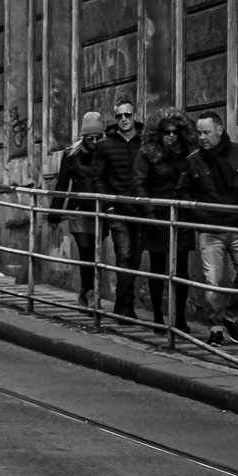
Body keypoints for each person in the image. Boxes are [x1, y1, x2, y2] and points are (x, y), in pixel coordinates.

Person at [183, 111, 238, 346]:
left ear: (219, 131)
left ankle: (230, 317)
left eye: (206, 132)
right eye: (198, 133)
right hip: (211, 230)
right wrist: (200, 215)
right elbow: (183, 192)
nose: (201, 137)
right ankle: (216, 325)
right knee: (213, 281)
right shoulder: (193, 161)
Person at [135, 109, 197, 331]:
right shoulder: (147, 154)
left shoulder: (188, 155)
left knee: (181, 269)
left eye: (175, 132)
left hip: (181, 217)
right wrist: (149, 211)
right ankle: (158, 317)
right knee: (158, 267)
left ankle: (179, 318)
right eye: (167, 132)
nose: (171, 136)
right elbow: (139, 183)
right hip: (157, 218)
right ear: (158, 133)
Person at [47, 113, 108, 308]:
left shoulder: (107, 153)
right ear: (83, 137)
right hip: (79, 210)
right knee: (86, 249)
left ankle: (85, 289)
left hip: (100, 209)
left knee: (96, 254)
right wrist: (54, 211)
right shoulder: (71, 155)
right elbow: (62, 184)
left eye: (98, 137)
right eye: (90, 138)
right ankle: (91, 294)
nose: (94, 142)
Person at [97, 99, 148, 320]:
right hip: (116, 208)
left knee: (135, 257)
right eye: (119, 116)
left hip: (140, 208)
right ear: (114, 118)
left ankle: (121, 301)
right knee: (124, 253)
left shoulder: (147, 142)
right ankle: (126, 304)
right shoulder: (105, 144)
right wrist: (107, 205)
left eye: (127, 115)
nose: (124, 119)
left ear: (135, 115)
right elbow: (98, 177)